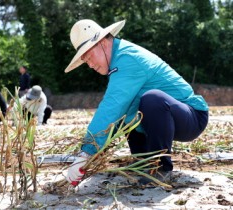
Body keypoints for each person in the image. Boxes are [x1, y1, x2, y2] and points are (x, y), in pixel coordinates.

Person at [64, 19, 209, 185]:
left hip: (191, 117)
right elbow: (115, 116)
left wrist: (86, 153)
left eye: (89, 57)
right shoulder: (118, 61)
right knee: (127, 110)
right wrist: (94, 156)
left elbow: (111, 107)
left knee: (152, 99)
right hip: (165, 120)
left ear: (103, 43)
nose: (90, 65)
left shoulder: (127, 59)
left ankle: (160, 168)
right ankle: (144, 163)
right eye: (85, 61)